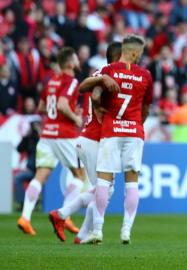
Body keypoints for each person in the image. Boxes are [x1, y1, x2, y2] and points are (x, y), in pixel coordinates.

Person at [81, 35, 153, 244]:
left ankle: (97, 230)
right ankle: (126, 231)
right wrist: (138, 123)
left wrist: (99, 110)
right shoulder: (146, 75)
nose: (141, 56)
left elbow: (90, 92)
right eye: (140, 53)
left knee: (104, 181)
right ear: (135, 52)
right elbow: (146, 107)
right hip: (134, 132)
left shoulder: (109, 70)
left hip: (111, 130)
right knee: (132, 183)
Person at [48, 42, 122, 243]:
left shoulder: (100, 73)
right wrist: (98, 106)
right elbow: (96, 94)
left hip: (90, 139)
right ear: (117, 57)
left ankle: (69, 222)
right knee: (104, 189)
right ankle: (94, 232)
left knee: (103, 190)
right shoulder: (108, 76)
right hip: (92, 139)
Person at [17, 47, 86, 236]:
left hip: (47, 134)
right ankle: (64, 216)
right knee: (80, 175)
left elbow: (41, 107)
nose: (79, 63)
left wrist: (61, 113)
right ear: (70, 64)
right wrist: (75, 118)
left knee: (40, 176)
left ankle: (25, 217)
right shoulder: (71, 81)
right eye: (76, 60)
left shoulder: (51, 82)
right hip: (65, 135)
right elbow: (62, 105)